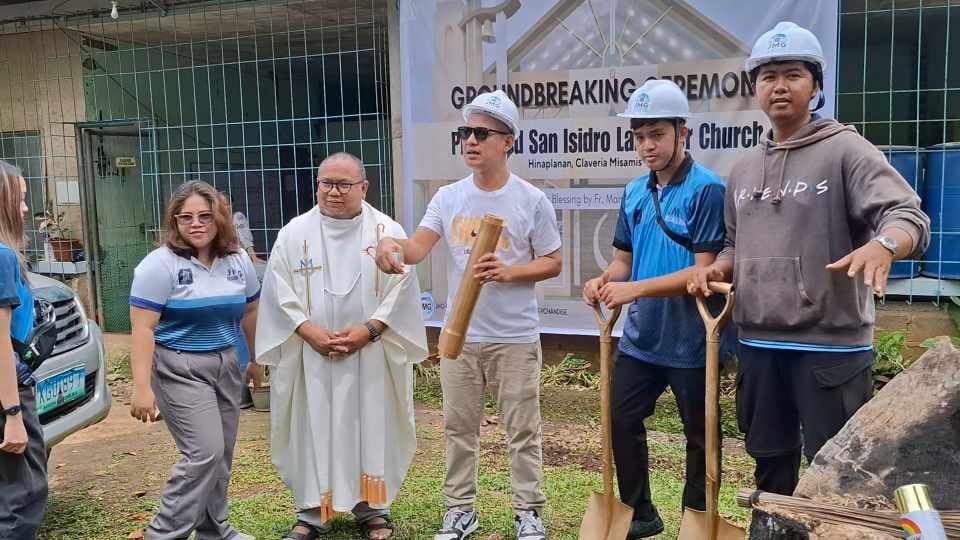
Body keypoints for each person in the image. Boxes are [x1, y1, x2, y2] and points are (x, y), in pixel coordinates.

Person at [689, 21, 931, 495]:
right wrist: (718, 267)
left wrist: (883, 245)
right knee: (769, 463)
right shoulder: (742, 170)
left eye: (793, 74)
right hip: (759, 345)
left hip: (831, 350)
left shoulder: (847, 150)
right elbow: (737, 247)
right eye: (768, 76)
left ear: (816, 85)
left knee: (839, 473)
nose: (779, 86)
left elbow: (908, 216)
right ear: (755, 87)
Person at [375, 90, 562, 540]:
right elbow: (417, 247)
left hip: (514, 337)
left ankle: (528, 512)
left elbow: (553, 261)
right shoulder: (449, 197)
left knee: (523, 429)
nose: (470, 141)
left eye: (482, 133)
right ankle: (460, 510)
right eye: (466, 133)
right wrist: (389, 243)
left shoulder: (530, 200)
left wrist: (510, 271)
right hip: (460, 335)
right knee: (459, 428)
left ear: (507, 142)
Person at [256, 152, 427, 540]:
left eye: (344, 184)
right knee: (310, 425)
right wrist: (308, 331)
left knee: (371, 421)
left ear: (363, 187)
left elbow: (403, 287)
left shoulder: (387, 231)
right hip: (310, 353)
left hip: (370, 352)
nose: (333, 192)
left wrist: (370, 330)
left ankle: (373, 509)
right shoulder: (293, 234)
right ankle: (311, 512)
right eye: (326, 183)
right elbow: (278, 291)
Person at [582, 79, 726, 538]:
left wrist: (634, 290)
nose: (647, 145)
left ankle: (696, 517)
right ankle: (641, 514)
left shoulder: (707, 190)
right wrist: (605, 280)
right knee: (621, 418)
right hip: (643, 338)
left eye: (657, 134)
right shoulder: (634, 192)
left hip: (693, 338)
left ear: (683, 132)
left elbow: (701, 274)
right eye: (640, 135)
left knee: (700, 435)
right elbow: (624, 261)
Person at [128, 180, 259, 540]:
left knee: (222, 454)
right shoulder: (158, 266)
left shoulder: (237, 260)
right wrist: (141, 388)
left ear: (220, 219)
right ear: (174, 221)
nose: (196, 224)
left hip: (226, 362)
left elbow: (249, 311)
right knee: (204, 452)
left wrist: (256, 359)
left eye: (205, 216)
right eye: (185, 217)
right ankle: (163, 534)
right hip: (179, 366)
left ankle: (215, 530)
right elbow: (142, 328)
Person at [0, 161, 48, 539]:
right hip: (7, 393)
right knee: (24, 496)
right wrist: (12, 411)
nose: (26, 209)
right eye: (20, 199)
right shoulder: (2, 256)